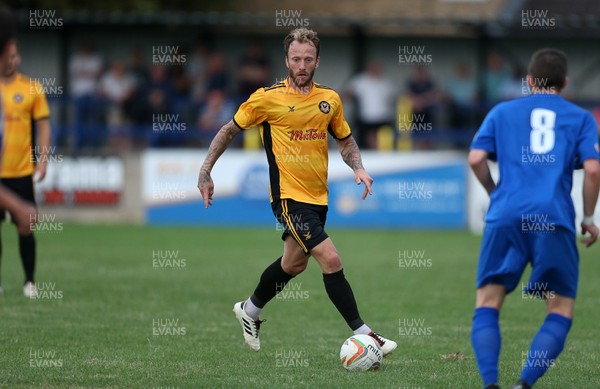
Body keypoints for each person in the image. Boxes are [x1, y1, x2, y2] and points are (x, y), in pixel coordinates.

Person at [197, 28, 397, 355]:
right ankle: (367, 335)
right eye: (295, 59)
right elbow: (228, 130)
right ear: (286, 60)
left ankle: (249, 310)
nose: (301, 65)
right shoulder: (266, 98)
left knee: (293, 265)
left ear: (317, 60)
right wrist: (205, 170)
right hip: (288, 198)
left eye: (307, 59)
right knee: (330, 258)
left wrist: (357, 167)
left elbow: (345, 139)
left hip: (319, 197)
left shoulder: (329, 99)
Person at [468, 48, 599, 389]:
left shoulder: (503, 111)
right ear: (565, 82)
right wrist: (588, 217)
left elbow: (476, 159)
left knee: (488, 302)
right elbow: (594, 170)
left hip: (505, 216)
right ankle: (524, 384)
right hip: (552, 218)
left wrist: (495, 193)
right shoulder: (580, 117)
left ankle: (491, 385)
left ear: (528, 81)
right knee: (559, 308)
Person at [0, 8, 38, 296]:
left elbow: (45, 125)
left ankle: (29, 282)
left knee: (25, 230)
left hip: (20, 172)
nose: (15, 49)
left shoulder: (30, 88)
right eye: (11, 41)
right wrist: (16, 205)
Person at [346, 61, 396, 149]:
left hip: (383, 116)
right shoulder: (361, 81)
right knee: (368, 139)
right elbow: (348, 92)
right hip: (367, 116)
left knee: (383, 139)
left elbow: (392, 98)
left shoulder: (385, 82)